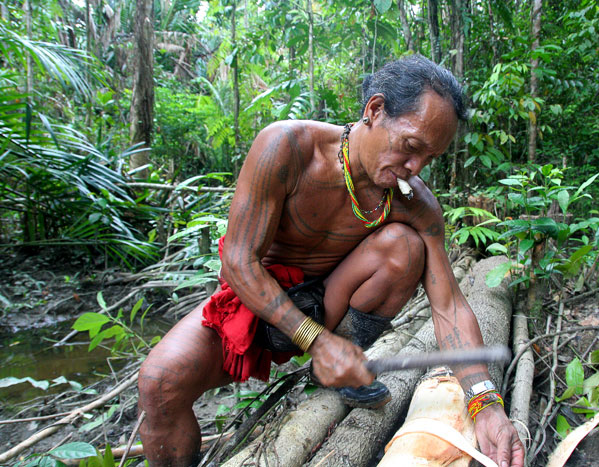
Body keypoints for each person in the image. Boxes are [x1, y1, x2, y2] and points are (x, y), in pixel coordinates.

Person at [138, 55, 525, 467]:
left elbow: (448, 305)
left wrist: (486, 404)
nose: (415, 169)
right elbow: (237, 261)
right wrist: (315, 341)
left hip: (330, 307)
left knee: (405, 246)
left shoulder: (416, 204)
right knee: (159, 384)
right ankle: (329, 356)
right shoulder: (287, 148)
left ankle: (341, 364)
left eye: (429, 159)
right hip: (260, 310)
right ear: (374, 111)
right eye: (411, 147)